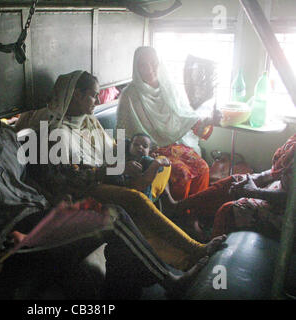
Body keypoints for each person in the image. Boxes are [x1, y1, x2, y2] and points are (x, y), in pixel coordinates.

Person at [0, 81, 213, 300]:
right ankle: (172, 283)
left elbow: (28, 179)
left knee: (122, 237)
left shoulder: (7, 139)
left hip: (44, 215)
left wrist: (54, 198)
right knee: (113, 217)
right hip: (16, 238)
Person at [16, 71, 226, 271]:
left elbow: (110, 148)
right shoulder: (57, 133)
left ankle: (163, 211)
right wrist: (112, 170)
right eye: (93, 96)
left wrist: (134, 157)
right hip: (89, 186)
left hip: (109, 173)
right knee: (135, 199)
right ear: (77, 95)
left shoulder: (88, 121)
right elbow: (68, 179)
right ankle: (193, 250)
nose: (97, 101)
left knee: (162, 165)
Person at [117, 47, 220, 201]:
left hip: (174, 145)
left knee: (203, 167)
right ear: (136, 67)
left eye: (153, 63)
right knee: (182, 174)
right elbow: (122, 131)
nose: (150, 69)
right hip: (150, 149)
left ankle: (195, 214)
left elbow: (184, 117)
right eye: (143, 65)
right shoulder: (129, 95)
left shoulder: (168, 87)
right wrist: (126, 160)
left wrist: (207, 121)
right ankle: (179, 216)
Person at [176, 134, 295, 240]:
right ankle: (179, 207)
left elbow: (290, 199)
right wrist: (255, 179)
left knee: (230, 210)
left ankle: (209, 251)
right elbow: (275, 172)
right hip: (278, 188)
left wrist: (255, 192)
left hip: (287, 210)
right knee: (234, 180)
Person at [125, 132, 177, 206]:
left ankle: (168, 199)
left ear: (150, 150)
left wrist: (153, 161)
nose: (140, 147)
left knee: (163, 160)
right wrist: (156, 163)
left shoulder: (148, 160)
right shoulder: (125, 158)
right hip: (137, 194)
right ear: (129, 146)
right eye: (136, 144)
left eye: (145, 146)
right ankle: (168, 200)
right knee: (161, 161)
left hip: (145, 194)